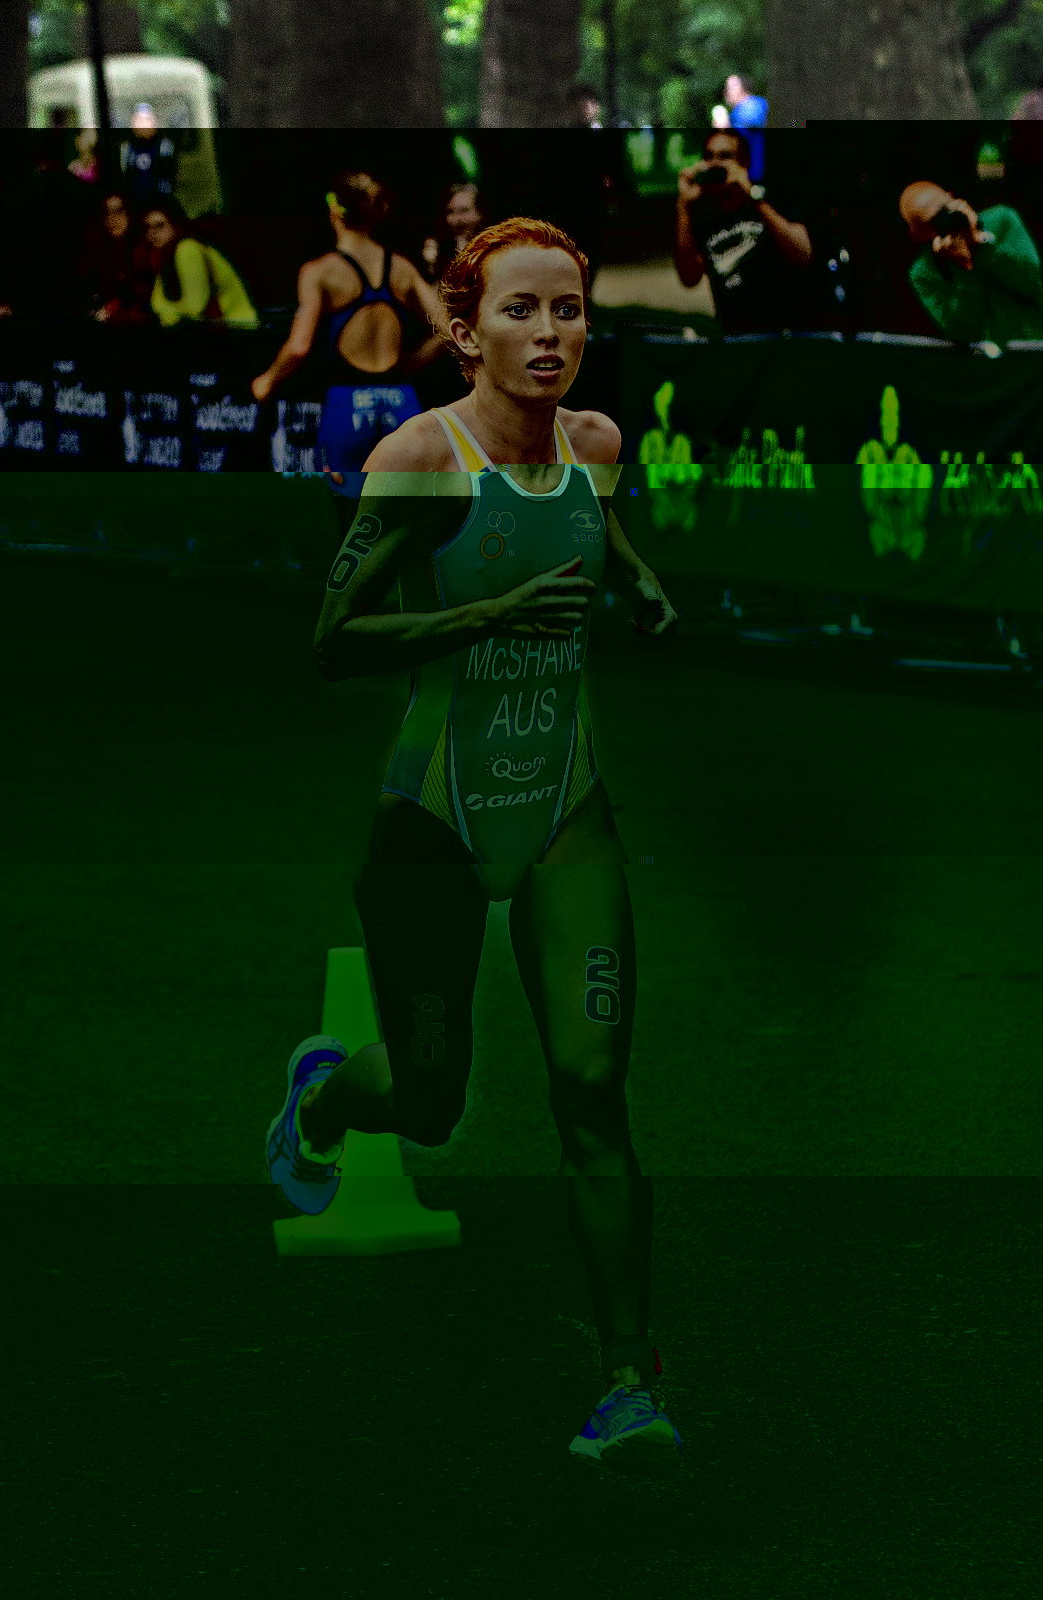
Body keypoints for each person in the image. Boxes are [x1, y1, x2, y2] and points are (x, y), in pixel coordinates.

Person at [265, 214, 684, 1478]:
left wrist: (636, 574)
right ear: (464, 332)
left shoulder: (598, 445)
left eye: (567, 309)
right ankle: (327, 1094)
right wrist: (490, 611)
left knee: (591, 1092)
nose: (548, 333)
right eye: (518, 311)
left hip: (566, 811)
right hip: (432, 822)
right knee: (431, 1102)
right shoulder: (419, 459)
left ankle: (626, 1380)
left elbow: (592, 522)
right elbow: (332, 639)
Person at [251, 171, 445, 478]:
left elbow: (299, 347)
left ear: (334, 210)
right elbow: (449, 330)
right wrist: (408, 364)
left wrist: (268, 380)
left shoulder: (321, 271)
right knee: (405, 503)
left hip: (347, 405)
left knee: (347, 505)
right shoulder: (402, 268)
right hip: (401, 401)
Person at [675, 129, 812, 334]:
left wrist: (751, 194)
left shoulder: (770, 200)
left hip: (786, 334)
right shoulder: (705, 216)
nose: (716, 164)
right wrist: (683, 207)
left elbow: (803, 253)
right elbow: (689, 278)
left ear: (744, 162)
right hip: (736, 338)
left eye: (725, 156)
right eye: (709, 157)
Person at [898, 180, 1043, 346]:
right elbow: (961, 332)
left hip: (1032, 348)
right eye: (933, 222)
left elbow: (1031, 282)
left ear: (953, 198)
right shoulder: (924, 271)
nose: (944, 221)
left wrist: (982, 242)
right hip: (983, 358)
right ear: (916, 234)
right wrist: (964, 268)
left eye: (945, 212)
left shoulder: (1002, 220)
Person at [142, 194, 259, 329]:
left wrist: (167, 314)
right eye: (147, 227)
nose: (152, 233)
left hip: (238, 328)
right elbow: (156, 304)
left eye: (159, 226)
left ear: (175, 225)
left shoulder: (188, 249)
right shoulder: (165, 256)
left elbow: (194, 308)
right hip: (214, 329)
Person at [79, 190, 155, 326]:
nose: (112, 218)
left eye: (119, 211)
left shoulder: (144, 250)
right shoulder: (97, 251)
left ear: (130, 213)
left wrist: (117, 307)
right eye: (106, 212)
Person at [421, 181, 487, 283]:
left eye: (464, 211)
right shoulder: (439, 250)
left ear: (480, 213)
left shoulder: (493, 249)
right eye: (450, 212)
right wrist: (431, 266)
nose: (457, 219)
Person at [119, 104, 178, 211]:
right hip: (134, 205)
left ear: (154, 123)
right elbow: (124, 178)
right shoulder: (126, 148)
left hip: (160, 205)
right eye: (138, 120)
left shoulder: (165, 146)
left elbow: (169, 178)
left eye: (146, 120)